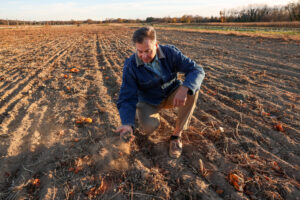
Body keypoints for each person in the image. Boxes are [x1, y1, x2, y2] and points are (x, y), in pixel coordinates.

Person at [115, 26, 205, 158]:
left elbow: (197, 70)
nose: (144, 56)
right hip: (149, 101)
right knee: (149, 127)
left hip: (171, 94)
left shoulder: (169, 53)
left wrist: (185, 88)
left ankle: (176, 136)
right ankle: (139, 115)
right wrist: (127, 123)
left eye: (148, 51)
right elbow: (126, 97)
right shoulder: (131, 66)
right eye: (140, 52)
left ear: (156, 45)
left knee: (192, 90)